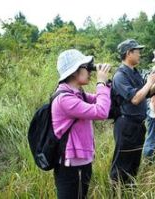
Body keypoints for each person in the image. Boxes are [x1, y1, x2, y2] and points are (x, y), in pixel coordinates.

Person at [51, 49, 111, 199]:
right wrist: (100, 82)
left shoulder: (78, 94)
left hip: (81, 161)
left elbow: (102, 99)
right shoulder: (64, 99)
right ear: (73, 72)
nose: (90, 70)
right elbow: (101, 111)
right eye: (86, 66)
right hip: (70, 165)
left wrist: (107, 83)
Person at [109, 39, 155, 186]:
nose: (140, 55)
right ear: (128, 53)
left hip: (138, 125)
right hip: (126, 126)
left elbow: (146, 93)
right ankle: (116, 195)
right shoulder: (120, 76)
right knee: (121, 165)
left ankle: (129, 192)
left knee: (134, 164)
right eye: (137, 52)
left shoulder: (134, 73)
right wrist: (149, 82)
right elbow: (136, 99)